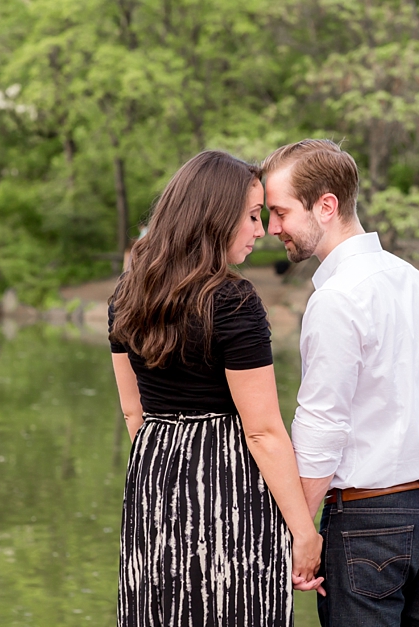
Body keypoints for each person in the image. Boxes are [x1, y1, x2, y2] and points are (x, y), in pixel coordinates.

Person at [108, 150, 323, 626]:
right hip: (228, 488)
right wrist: (305, 533)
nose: (262, 230)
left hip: (153, 479)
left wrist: (167, 476)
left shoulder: (126, 296)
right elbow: (263, 432)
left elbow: (132, 413)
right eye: (251, 217)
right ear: (214, 218)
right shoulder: (233, 301)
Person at [262, 140, 419, 627]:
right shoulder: (418, 282)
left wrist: (298, 533)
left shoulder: (337, 299)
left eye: (280, 211)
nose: (272, 228)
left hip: (370, 524)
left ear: (325, 206)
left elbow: (321, 428)